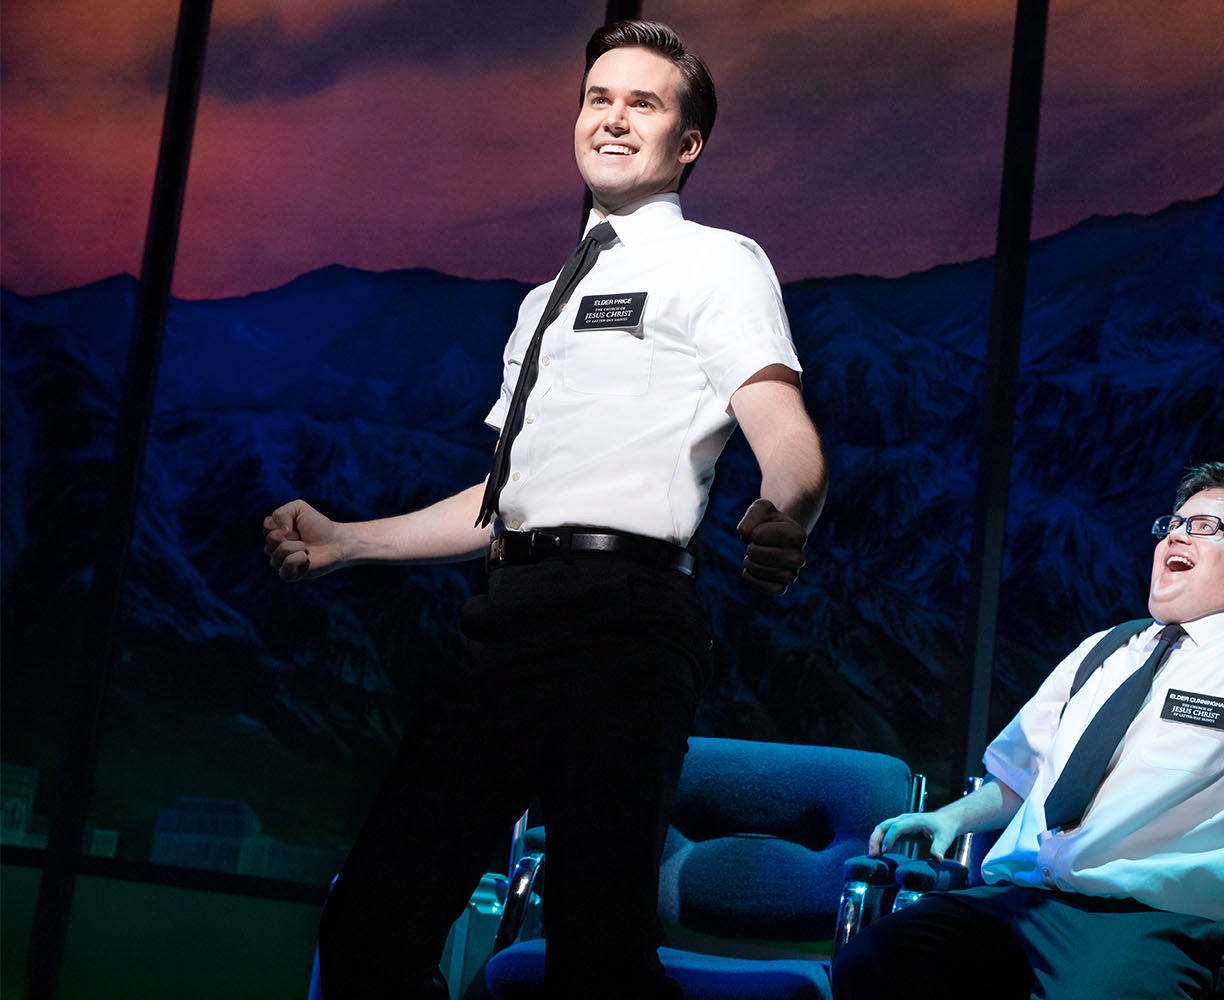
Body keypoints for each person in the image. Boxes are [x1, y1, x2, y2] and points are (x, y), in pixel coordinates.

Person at [262, 20, 826, 999]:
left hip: (625, 615)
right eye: (597, 97)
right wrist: (349, 541)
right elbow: (504, 499)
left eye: (642, 102)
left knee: (595, 949)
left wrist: (790, 506)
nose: (612, 117)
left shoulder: (718, 262)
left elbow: (783, 427)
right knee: (372, 923)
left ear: (685, 143)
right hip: (507, 618)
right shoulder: (542, 304)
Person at [833, 461, 1224, 1000]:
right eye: (1172, 524)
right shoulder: (1106, 648)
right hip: (1019, 900)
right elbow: (1024, 775)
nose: (1176, 535)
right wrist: (948, 817)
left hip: (1149, 918)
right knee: (876, 964)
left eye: (1205, 527)